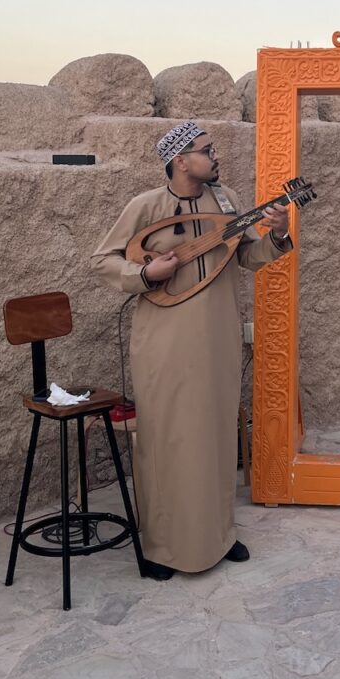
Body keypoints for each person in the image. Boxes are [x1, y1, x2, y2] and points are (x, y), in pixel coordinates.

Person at [91, 121, 292, 580]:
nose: (215, 156)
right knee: (168, 440)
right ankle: (163, 548)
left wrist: (278, 235)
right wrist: (146, 274)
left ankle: (219, 536)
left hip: (217, 338)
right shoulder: (146, 207)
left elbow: (249, 256)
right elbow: (102, 260)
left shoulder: (228, 202)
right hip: (164, 342)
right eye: (207, 150)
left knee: (216, 435)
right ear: (181, 160)